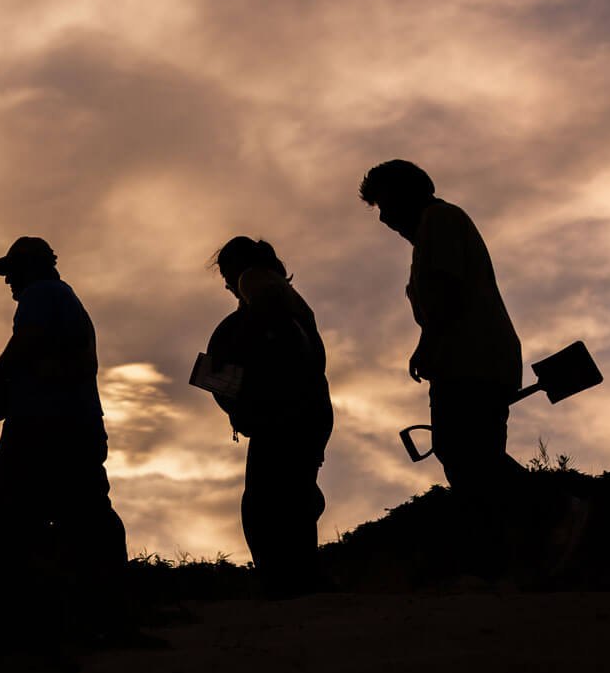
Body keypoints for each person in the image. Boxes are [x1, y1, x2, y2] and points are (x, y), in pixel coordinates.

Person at [360, 159, 526, 572]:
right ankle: (508, 555)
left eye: (385, 203)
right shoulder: (434, 231)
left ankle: (554, 512)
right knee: (468, 457)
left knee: (470, 456)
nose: (382, 217)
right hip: (467, 359)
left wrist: (428, 344)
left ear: (407, 193)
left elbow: (448, 293)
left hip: (473, 360)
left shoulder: (440, 221)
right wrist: (428, 345)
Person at [0, 235, 128, 576]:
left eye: (12, 271)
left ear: (32, 269)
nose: (7, 280)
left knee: (8, 509)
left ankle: (8, 590)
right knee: (85, 511)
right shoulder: (66, 298)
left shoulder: (40, 293)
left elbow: (26, 341)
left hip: (43, 424)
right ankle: (107, 591)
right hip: (79, 422)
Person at [206, 236, 333, 594]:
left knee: (265, 503)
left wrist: (232, 371)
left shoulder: (256, 280)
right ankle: (304, 575)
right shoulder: (287, 295)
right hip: (309, 408)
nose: (228, 285)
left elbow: (265, 334)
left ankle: (286, 580)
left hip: (287, 412)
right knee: (293, 493)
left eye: (226, 275)